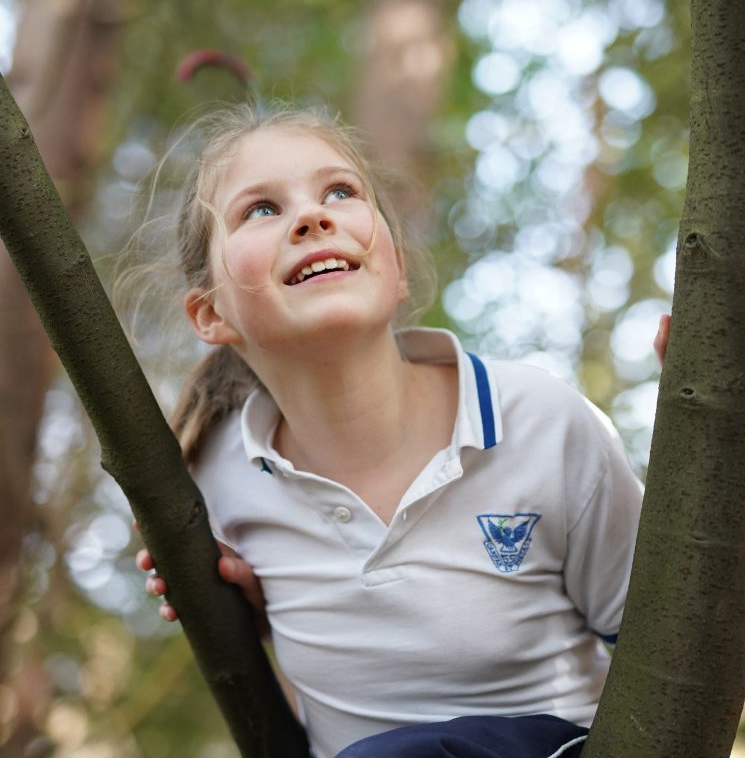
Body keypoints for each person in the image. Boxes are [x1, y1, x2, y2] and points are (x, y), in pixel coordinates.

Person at [134, 102, 654, 758]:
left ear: (397, 266)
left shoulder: (542, 424)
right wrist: (255, 612)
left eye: (340, 192)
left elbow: (670, 653)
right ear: (210, 313)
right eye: (260, 209)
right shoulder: (215, 474)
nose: (312, 216)